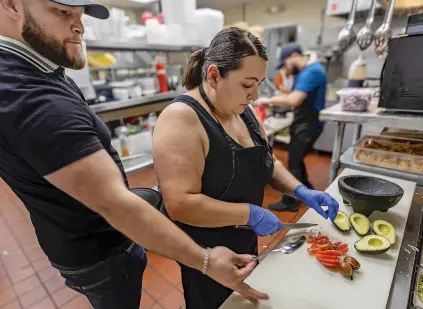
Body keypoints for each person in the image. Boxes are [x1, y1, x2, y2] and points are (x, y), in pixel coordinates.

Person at [0, 1, 268, 308]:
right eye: (62, 12)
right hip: (99, 254)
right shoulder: (29, 96)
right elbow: (116, 205)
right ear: (11, 4)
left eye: (80, 14)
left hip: (96, 235)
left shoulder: (43, 67)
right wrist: (205, 260)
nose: (80, 26)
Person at [153, 27, 339, 309]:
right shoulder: (182, 118)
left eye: (259, 84)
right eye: (247, 84)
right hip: (207, 252)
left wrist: (301, 191)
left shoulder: (243, 111)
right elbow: (180, 203)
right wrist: (249, 212)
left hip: (245, 238)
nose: (254, 95)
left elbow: (267, 161)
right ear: (214, 75)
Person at [256, 43, 327, 212]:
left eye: (286, 64)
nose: (286, 69)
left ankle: (290, 202)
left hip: (307, 124)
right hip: (305, 122)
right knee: (298, 157)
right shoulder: (308, 71)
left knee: (293, 161)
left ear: (294, 56)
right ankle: (306, 188)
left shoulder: (312, 71)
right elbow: (295, 94)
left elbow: (295, 100)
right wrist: (279, 94)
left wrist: (268, 101)